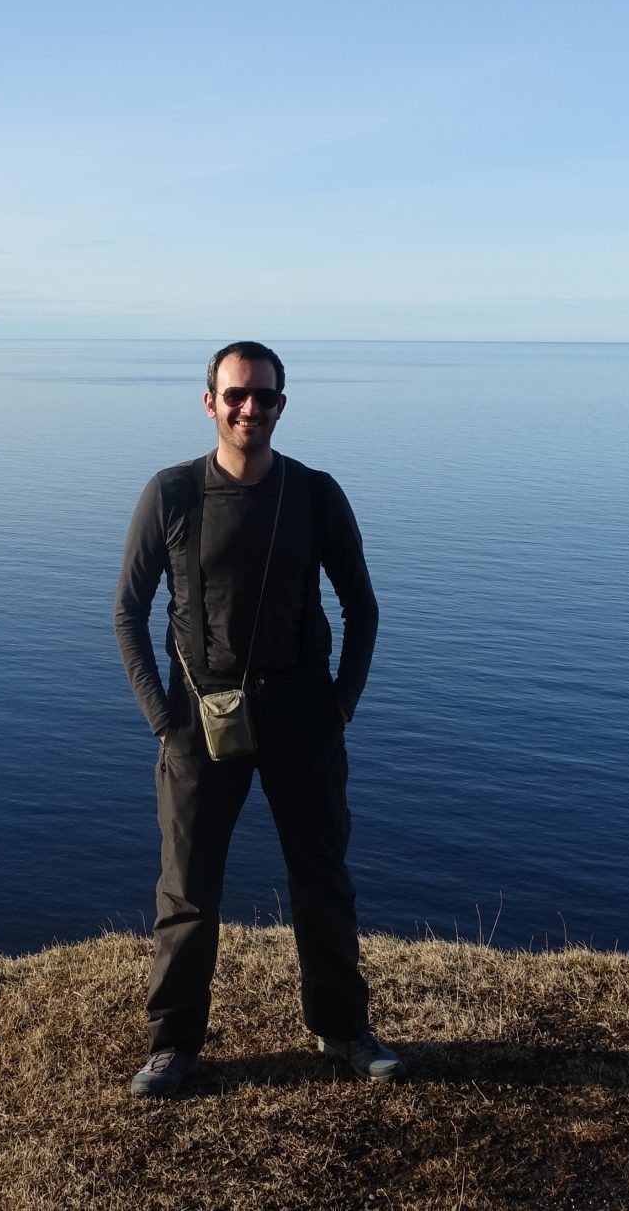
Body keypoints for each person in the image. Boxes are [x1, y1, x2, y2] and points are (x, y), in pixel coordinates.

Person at [112, 340, 401, 1097]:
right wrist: (162, 718)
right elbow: (127, 612)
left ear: (281, 406)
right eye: (236, 395)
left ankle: (343, 1028)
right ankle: (173, 1046)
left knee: (323, 880)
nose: (250, 408)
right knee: (187, 891)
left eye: (264, 397)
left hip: (304, 716)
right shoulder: (172, 494)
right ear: (210, 402)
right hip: (198, 719)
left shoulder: (315, 494)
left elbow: (363, 607)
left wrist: (341, 703)